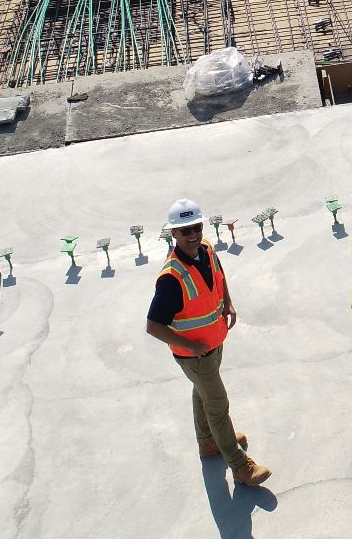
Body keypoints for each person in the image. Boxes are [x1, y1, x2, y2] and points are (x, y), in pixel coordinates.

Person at [144, 198, 272, 487]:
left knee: (202, 393)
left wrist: (228, 301)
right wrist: (190, 347)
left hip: (214, 343)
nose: (193, 235)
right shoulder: (171, 278)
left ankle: (208, 443)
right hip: (195, 355)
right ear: (173, 234)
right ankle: (240, 466)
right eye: (185, 230)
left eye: (196, 228)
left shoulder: (207, 250)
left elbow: (219, 275)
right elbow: (153, 326)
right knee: (218, 404)